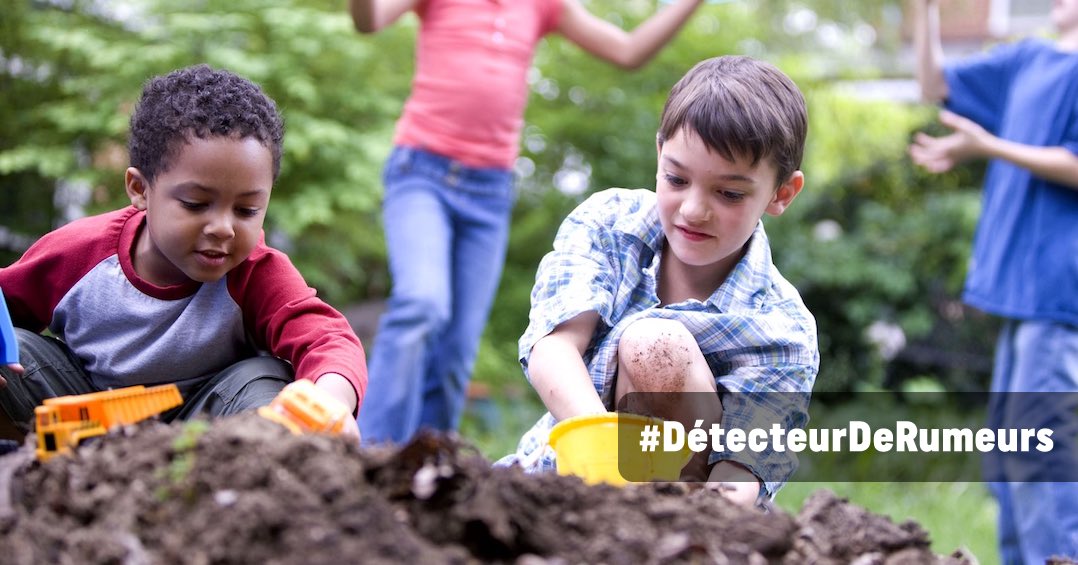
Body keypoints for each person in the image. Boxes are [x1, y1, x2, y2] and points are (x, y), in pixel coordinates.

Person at [349, 0, 713, 444]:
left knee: (457, 348)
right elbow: (368, 21)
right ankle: (372, 453)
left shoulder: (543, 5)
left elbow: (627, 50)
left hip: (489, 193)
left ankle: (429, 465)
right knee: (423, 304)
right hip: (421, 175)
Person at [500, 55, 819, 508]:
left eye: (728, 193)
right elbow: (553, 347)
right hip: (565, 485)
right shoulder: (608, 224)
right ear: (659, 155)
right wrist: (602, 453)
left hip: (687, 519)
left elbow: (742, 470)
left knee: (655, 344)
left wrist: (680, 529)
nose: (693, 209)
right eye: (676, 178)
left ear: (781, 193)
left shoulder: (782, 329)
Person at [0, 64, 367, 443]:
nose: (223, 227)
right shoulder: (79, 252)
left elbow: (328, 339)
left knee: (267, 379)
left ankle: (252, 473)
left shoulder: (254, 271)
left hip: (209, 434)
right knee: (16, 351)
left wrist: (331, 399)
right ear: (140, 189)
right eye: (195, 203)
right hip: (82, 421)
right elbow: (4, 301)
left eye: (246, 211)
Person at [908, 0, 1078, 562]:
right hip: (1020, 294)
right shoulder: (1031, 58)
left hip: (1058, 295)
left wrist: (988, 146)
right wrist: (926, 12)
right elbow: (935, 85)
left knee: (1040, 451)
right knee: (1009, 457)